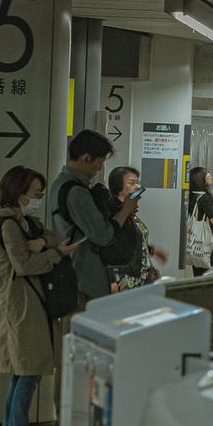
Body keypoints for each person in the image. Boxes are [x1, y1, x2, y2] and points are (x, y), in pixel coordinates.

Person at [0, 167, 81, 426]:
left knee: (24, 368)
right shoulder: (7, 225)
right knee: (29, 368)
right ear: (18, 193)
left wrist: (42, 242)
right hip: (20, 303)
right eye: (35, 194)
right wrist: (54, 255)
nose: (39, 198)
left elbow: (54, 237)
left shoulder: (25, 223)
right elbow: (23, 265)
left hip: (30, 302)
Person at [49, 129, 136, 302]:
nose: (100, 167)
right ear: (86, 158)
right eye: (100, 161)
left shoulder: (61, 183)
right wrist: (125, 211)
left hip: (77, 275)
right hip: (83, 278)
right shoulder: (76, 192)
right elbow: (102, 235)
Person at [104, 166, 164, 290]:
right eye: (132, 183)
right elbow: (109, 245)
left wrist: (151, 250)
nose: (137, 187)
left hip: (137, 276)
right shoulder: (115, 213)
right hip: (122, 279)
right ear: (118, 186)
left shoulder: (131, 213)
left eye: (137, 183)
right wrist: (112, 279)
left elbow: (131, 240)